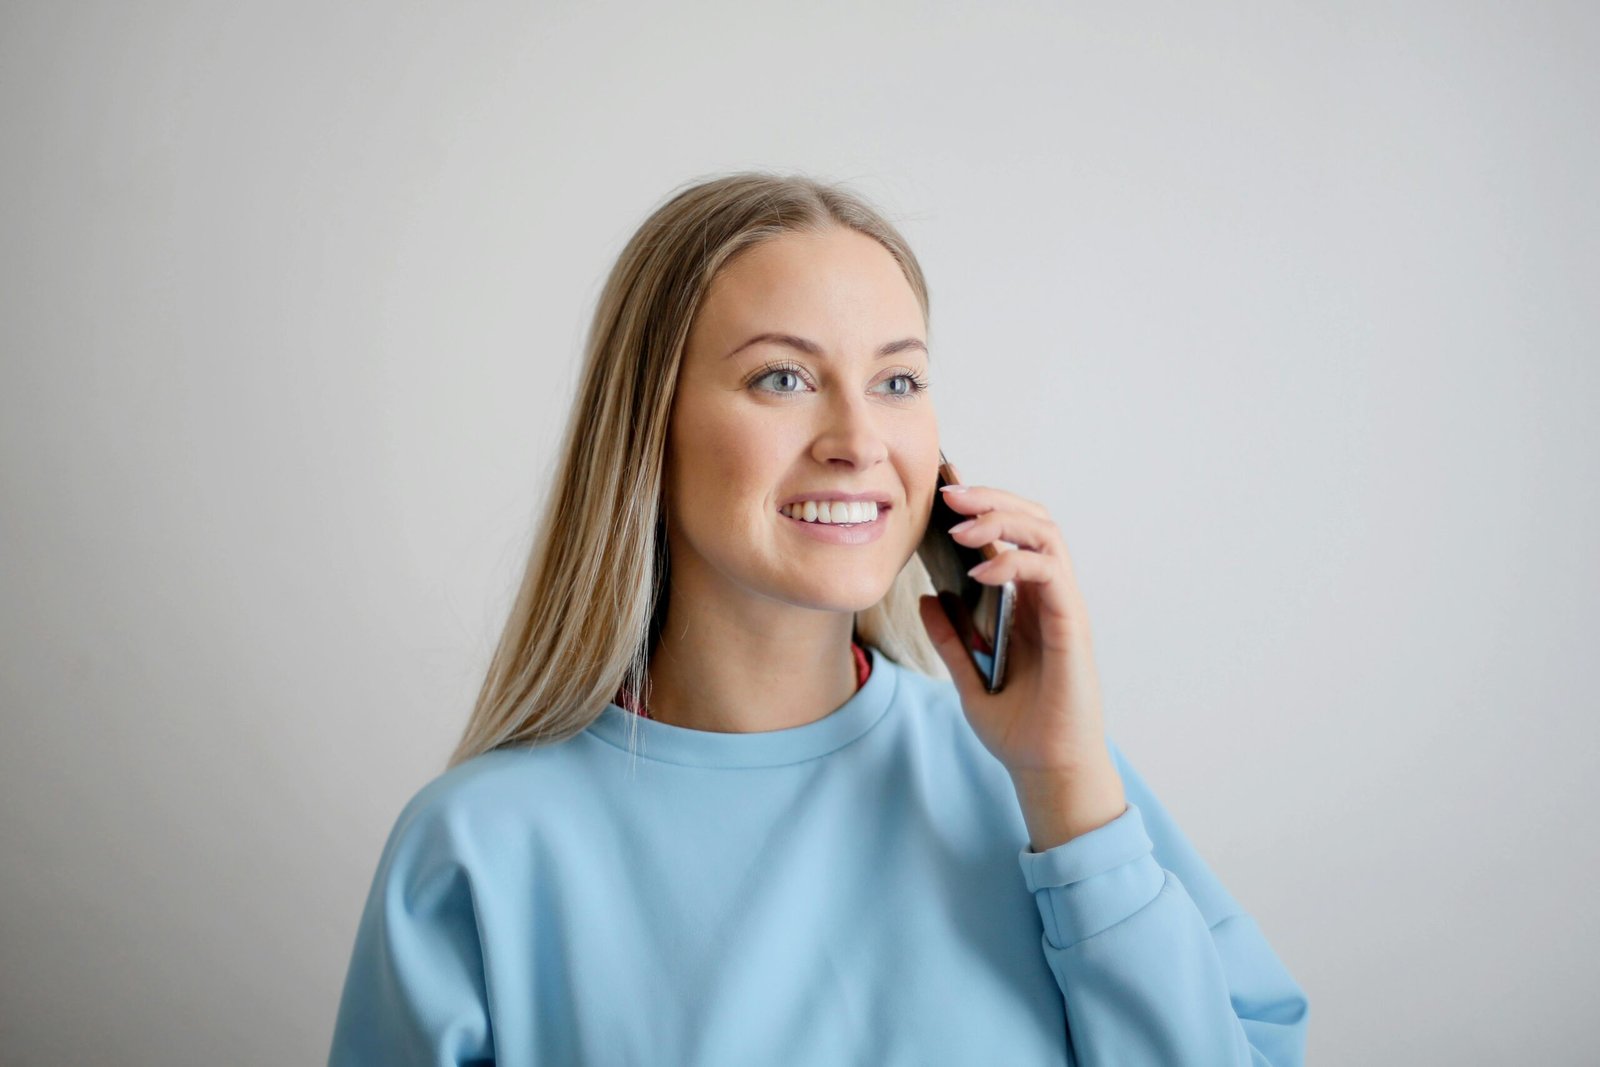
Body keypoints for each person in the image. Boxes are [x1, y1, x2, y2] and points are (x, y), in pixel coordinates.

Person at [327, 172, 1310, 1066]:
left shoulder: (1052, 782)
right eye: (782, 378)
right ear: (646, 428)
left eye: (897, 381)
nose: (858, 440)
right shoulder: (476, 851)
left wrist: (1064, 793)